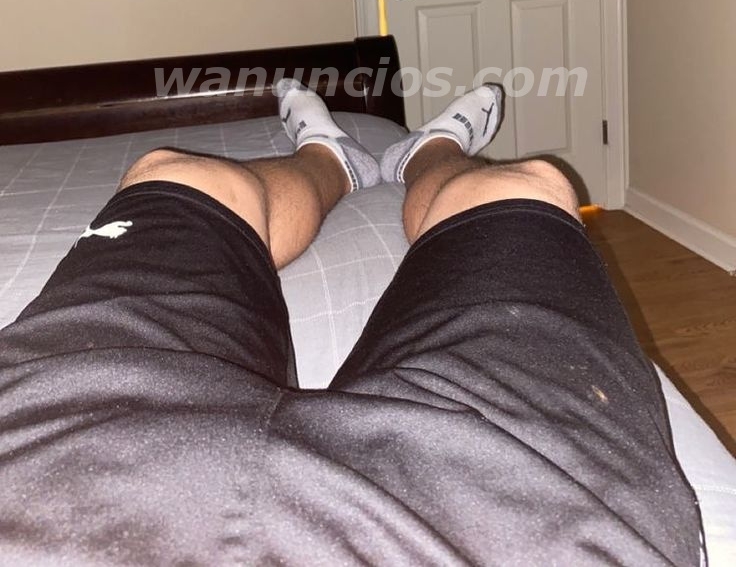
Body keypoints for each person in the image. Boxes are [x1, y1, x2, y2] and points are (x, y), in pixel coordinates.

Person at [0, 81, 702, 565]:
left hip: (41, 462)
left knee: (175, 172)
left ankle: (329, 158)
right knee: (528, 186)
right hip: (513, 520)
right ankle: (433, 153)